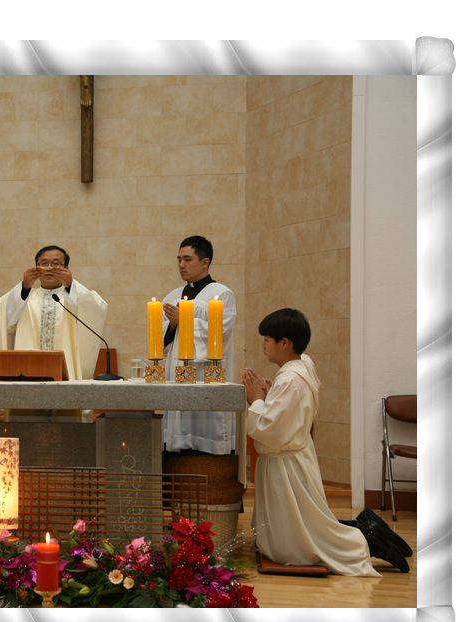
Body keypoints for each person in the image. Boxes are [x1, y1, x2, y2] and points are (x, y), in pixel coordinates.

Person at [242, 308, 409, 574]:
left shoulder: (290, 379)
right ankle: (367, 531)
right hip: (295, 458)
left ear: (284, 343)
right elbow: (289, 413)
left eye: (267, 339)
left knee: (289, 547)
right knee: (306, 526)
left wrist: (257, 400)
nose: (263, 345)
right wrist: (271, 394)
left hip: (285, 465)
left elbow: (269, 429)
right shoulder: (302, 366)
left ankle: (365, 540)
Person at [161, 235, 236, 455]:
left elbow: (221, 333)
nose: (181, 265)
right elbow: (162, 341)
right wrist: (172, 325)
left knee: (205, 429)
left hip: (206, 372)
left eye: (187, 259)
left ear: (205, 262)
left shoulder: (222, 294)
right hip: (177, 372)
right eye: (179, 260)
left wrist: (184, 320)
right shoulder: (173, 296)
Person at [0, 245, 108, 383]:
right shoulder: (24, 297)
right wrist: (24, 287)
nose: (49, 268)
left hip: (66, 373)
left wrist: (70, 285)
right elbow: (5, 320)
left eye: (56, 263)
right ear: (36, 267)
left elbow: (95, 311)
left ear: (66, 268)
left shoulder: (73, 297)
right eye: (44, 263)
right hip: (28, 372)